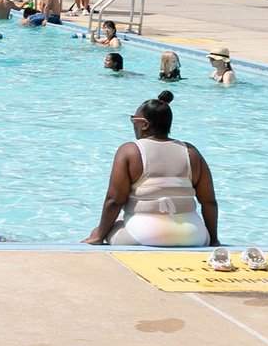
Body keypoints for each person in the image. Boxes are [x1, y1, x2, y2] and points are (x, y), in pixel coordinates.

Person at [82, 92, 218, 247]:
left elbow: (114, 200)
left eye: (134, 119)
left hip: (145, 235)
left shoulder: (130, 151)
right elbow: (209, 201)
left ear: (145, 124)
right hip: (193, 236)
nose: (133, 123)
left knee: (101, 229)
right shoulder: (191, 152)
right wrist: (213, 240)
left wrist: (99, 236)